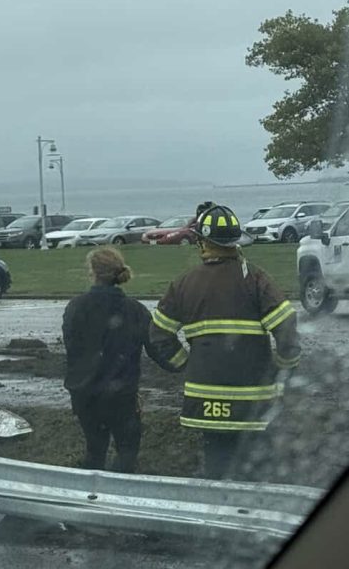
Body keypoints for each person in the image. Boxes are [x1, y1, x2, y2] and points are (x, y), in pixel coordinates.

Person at [148, 203, 301, 479]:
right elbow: (287, 330)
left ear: (203, 243)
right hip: (255, 402)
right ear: (236, 242)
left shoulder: (184, 282)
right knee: (256, 472)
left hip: (206, 401)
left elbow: (158, 335)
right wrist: (283, 367)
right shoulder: (256, 279)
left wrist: (185, 363)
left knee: (217, 467)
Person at [62, 246, 154, 472]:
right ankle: (119, 496)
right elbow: (155, 348)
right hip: (121, 396)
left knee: (94, 449)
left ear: (92, 272)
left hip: (85, 394)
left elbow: (72, 347)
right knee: (127, 451)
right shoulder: (136, 310)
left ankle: (91, 497)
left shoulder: (76, 307)